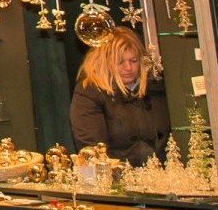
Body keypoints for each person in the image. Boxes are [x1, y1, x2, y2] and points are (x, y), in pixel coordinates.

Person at [70, 27, 170, 167]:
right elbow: (92, 149)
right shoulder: (89, 92)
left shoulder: (157, 85)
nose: (128, 68)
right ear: (105, 62)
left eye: (134, 61)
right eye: (120, 62)